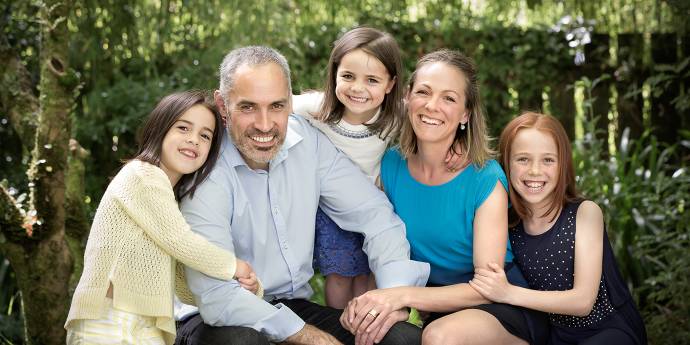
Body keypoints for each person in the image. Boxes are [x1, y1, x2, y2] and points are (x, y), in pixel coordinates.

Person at [174, 46, 430, 345]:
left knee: (401, 338)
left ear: (290, 101)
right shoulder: (205, 168)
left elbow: (376, 217)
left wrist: (391, 297)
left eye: (277, 106)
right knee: (240, 342)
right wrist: (310, 338)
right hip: (214, 317)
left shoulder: (306, 142)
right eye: (248, 107)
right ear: (222, 105)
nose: (265, 124)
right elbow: (217, 298)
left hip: (291, 305)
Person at [340, 49, 549, 345]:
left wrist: (400, 295)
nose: (432, 106)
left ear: (465, 113)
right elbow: (384, 246)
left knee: (440, 337)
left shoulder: (484, 178)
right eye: (423, 92)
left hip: (500, 308)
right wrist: (376, 303)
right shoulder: (390, 165)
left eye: (449, 98)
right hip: (440, 309)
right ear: (407, 97)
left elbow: (486, 287)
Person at [64, 91, 260, 345]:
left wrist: (242, 289)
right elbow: (183, 242)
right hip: (109, 319)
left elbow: (182, 283)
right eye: (183, 128)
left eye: (205, 135)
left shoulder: (172, 201)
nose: (194, 140)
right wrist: (236, 267)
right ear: (161, 129)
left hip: (150, 327)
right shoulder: (142, 174)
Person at [292, 27, 464, 309]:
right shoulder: (316, 107)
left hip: (372, 203)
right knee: (340, 275)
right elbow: (275, 105)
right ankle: (339, 325)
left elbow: (434, 118)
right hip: (332, 205)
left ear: (390, 84)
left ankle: (367, 322)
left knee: (367, 276)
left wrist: (457, 144)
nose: (358, 88)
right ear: (334, 73)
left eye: (372, 80)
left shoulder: (394, 115)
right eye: (348, 76)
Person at [469, 112, 647, 344]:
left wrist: (508, 293)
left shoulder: (585, 213)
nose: (535, 170)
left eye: (548, 160)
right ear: (506, 164)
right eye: (523, 159)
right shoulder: (507, 223)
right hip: (553, 335)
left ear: (563, 164)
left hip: (607, 330)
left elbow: (583, 302)